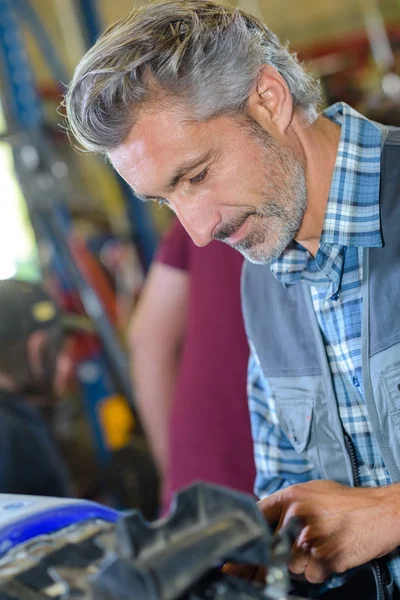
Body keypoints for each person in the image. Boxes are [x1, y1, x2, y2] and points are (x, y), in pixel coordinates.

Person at [65, 1, 400, 596]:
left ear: (268, 99)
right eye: (166, 200)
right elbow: (286, 486)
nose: (197, 231)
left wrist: (389, 512)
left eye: (195, 175)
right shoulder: (263, 282)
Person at [128, 218, 255, 510]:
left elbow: (147, 339)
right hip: (294, 480)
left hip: (203, 472)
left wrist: (173, 465)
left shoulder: (200, 214)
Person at [0, 279, 71, 497]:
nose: (68, 363)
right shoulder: (11, 435)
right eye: (58, 349)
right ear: (36, 346)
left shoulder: (18, 418)